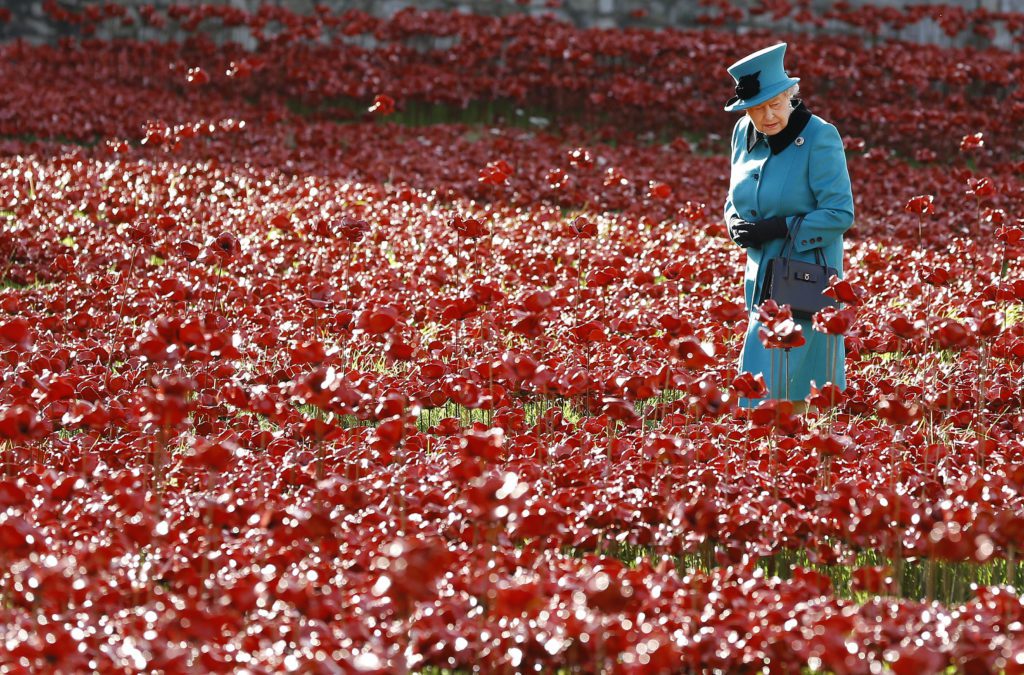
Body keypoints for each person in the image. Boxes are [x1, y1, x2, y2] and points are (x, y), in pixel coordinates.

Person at [722, 43, 854, 409]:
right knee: (765, 383)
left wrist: (782, 227)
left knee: (789, 384)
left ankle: (786, 457)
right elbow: (734, 196)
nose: (767, 117)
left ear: (790, 96)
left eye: (775, 104)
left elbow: (840, 213)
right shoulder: (742, 134)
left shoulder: (819, 137)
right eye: (756, 109)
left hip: (806, 278)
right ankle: (772, 458)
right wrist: (734, 221)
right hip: (761, 276)